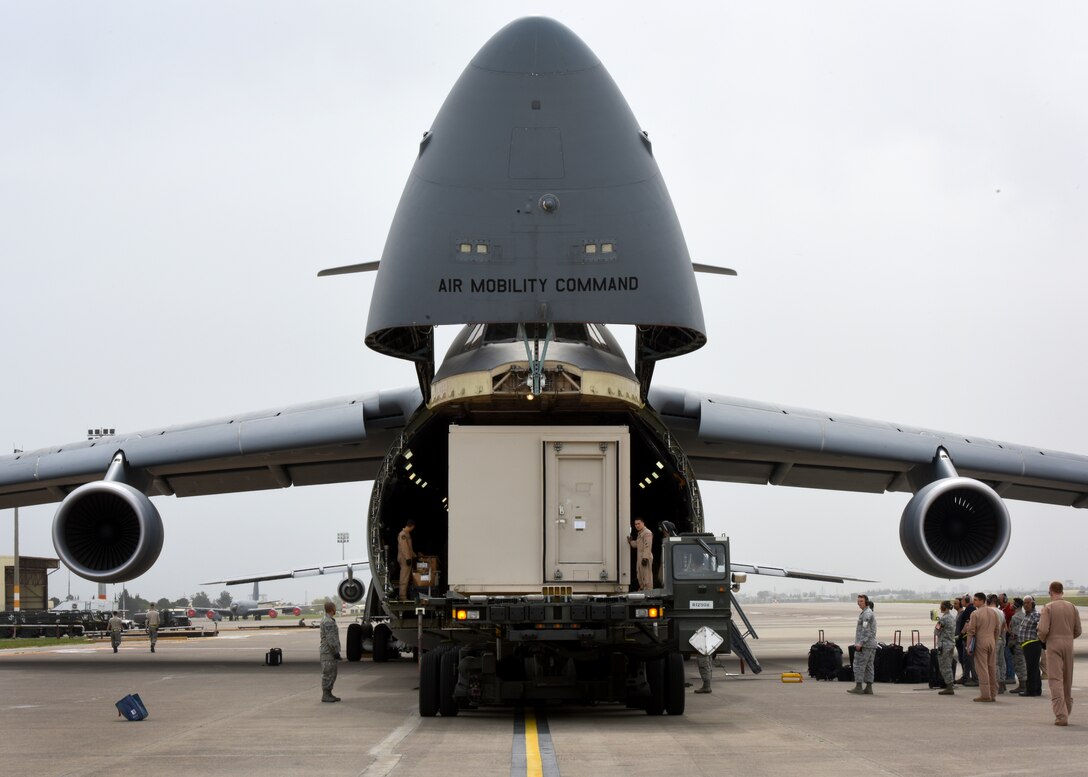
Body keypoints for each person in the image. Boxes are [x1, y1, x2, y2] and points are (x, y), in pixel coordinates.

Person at [1037, 580, 1083, 726]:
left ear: (1050, 592)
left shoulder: (1048, 607)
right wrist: (1068, 637)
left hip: (1053, 644)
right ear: (1062, 591)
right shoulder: (1072, 607)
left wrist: (1043, 639)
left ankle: (1061, 715)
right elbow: (1078, 630)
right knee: (1067, 679)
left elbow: (1043, 630)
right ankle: (1067, 710)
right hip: (1069, 643)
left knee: (1055, 680)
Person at [965, 592, 1001, 702]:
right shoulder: (994, 612)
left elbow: (971, 631)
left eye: (975, 600)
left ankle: (985, 694)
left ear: (982, 600)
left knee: (982, 668)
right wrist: (994, 640)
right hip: (991, 640)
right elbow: (997, 629)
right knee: (991, 667)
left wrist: (968, 647)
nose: (973, 602)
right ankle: (993, 693)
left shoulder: (975, 614)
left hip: (981, 641)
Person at [848, 594, 877, 695]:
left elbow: (866, 630)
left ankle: (858, 686)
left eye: (861, 601)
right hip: (871, 645)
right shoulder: (867, 612)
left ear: (866, 602)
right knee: (869, 666)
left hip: (865, 645)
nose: (859, 603)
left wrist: (860, 643)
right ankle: (869, 688)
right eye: (858, 601)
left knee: (858, 665)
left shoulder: (867, 614)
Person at [1017, 595, 1043, 698]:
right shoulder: (1027, 615)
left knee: (1031, 668)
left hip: (1032, 644)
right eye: (1024, 603)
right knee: (1034, 668)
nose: (1025, 605)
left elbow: (1042, 628)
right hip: (1027, 645)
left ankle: (1030, 690)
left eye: (1028, 603)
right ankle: (1037, 689)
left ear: (1033, 603)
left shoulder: (1036, 615)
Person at [319, 601, 342, 702]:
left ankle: (328, 694)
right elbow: (331, 639)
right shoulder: (328, 621)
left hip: (328, 652)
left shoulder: (327, 619)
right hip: (329, 652)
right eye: (335, 607)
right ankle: (326, 695)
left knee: (331, 673)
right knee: (329, 674)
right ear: (332, 609)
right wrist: (336, 652)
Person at [934, 600, 957, 695]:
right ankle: (950, 685)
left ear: (945, 607)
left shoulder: (943, 619)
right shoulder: (952, 618)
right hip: (951, 644)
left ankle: (949, 686)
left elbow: (936, 632)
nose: (940, 608)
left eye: (941, 606)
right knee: (948, 665)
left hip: (944, 645)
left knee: (944, 666)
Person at [955, 594, 977, 686]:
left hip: (967, 638)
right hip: (966, 638)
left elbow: (968, 623)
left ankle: (975, 679)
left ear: (966, 600)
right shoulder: (969, 609)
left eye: (962, 600)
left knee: (969, 659)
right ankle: (966, 677)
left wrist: (962, 633)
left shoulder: (970, 609)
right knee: (966, 659)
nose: (961, 602)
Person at [628, 518, 653, 591]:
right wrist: (631, 542)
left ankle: (648, 590)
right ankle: (643, 588)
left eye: (638, 523)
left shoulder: (647, 533)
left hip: (645, 557)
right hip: (640, 557)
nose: (637, 525)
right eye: (635, 524)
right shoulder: (640, 533)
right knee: (639, 574)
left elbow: (647, 546)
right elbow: (636, 544)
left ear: (643, 523)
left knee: (646, 575)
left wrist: (645, 558)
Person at [1008, 597, 1026, 693]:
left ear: (1016, 605)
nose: (1011, 605)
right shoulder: (1024, 615)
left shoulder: (1015, 617)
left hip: (1017, 645)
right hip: (1024, 643)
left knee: (1019, 665)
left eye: (1013, 603)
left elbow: (1014, 634)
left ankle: (1022, 685)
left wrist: (1010, 644)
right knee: (1023, 664)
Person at [397, 519, 417, 600]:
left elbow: (409, 548)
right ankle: (402, 596)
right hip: (404, 559)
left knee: (406, 577)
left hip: (407, 558)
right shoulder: (403, 535)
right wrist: (408, 558)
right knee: (404, 577)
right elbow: (404, 548)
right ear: (411, 526)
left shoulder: (407, 534)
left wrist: (415, 556)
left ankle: (404, 596)